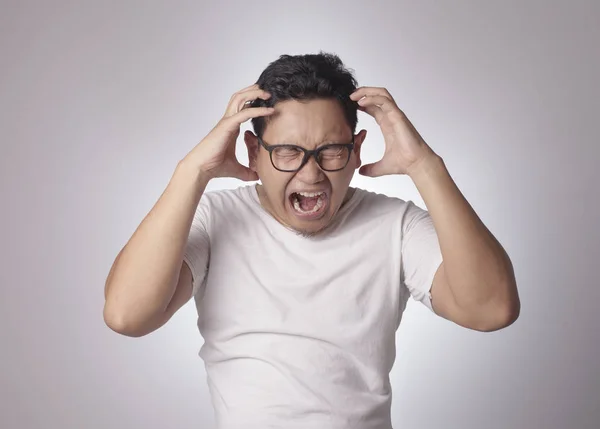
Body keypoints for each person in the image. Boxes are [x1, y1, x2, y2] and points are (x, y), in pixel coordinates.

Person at [103, 52, 520, 429]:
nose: (311, 174)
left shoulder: (395, 225)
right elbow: (127, 315)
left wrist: (424, 165)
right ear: (253, 150)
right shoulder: (216, 219)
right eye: (287, 151)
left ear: (357, 150)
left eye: (332, 151)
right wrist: (192, 170)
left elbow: (492, 309)